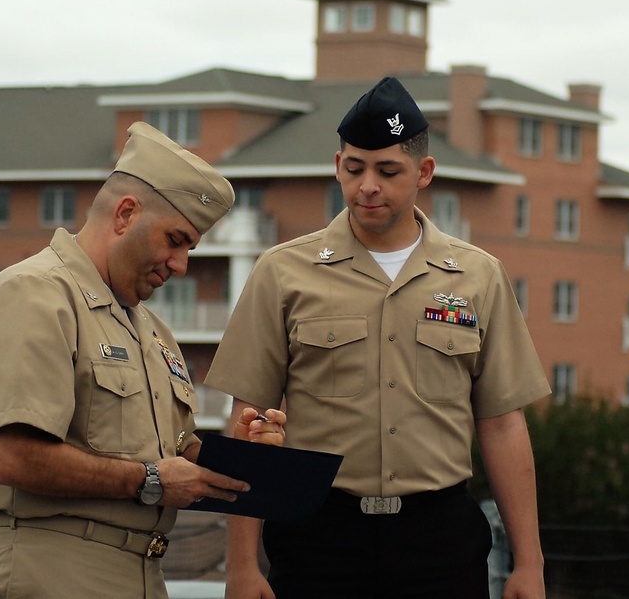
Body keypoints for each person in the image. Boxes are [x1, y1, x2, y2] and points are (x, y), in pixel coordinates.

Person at [205, 77, 551, 599]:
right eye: (354, 168)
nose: (368, 185)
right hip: (318, 535)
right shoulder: (283, 273)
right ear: (337, 165)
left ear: (423, 173)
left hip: (439, 539)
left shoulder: (478, 277)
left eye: (388, 171)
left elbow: (502, 423)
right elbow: (248, 421)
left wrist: (530, 562)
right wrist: (241, 566)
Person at [0, 122, 286, 599]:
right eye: (175, 240)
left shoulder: (152, 331)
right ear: (126, 214)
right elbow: (11, 457)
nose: (180, 265)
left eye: (189, 248)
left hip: (141, 572)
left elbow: (169, 455)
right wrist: (149, 480)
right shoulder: (34, 294)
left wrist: (244, 448)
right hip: (49, 571)